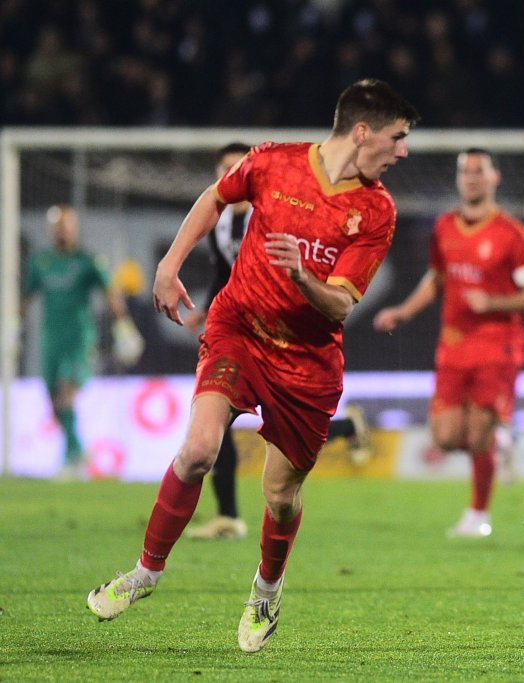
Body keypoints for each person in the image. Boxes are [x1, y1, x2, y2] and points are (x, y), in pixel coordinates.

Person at [86, 78, 419, 653]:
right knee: (198, 451)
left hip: (307, 363)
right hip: (238, 330)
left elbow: (341, 304)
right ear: (363, 132)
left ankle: (266, 589)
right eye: (398, 137)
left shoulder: (376, 210)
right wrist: (169, 265)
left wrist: (301, 275)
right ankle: (145, 572)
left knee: (280, 496)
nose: (404, 151)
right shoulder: (272, 161)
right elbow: (215, 196)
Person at [182, 143, 373, 541]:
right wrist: (207, 309)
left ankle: (342, 428)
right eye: (225, 169)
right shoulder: (219, 221)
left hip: (288, 338)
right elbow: (224, 271)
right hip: (240, 330)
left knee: (287, 430)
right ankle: (228, 514)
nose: (233, 176)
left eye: (238, 167)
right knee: (215, 422)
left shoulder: (272, 209)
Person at [373, 148, 524, 537]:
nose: (471, 178)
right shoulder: (445, 227)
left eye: (478, 171)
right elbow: (437, 278)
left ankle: (477, 515)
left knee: (477, 436)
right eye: (465, 172)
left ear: (494, 177)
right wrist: (404, 311)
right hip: (453, 345)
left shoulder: (512, 234)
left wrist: (493, 302)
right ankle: (502, 436)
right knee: (445, 437)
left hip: (496, 345)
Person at [22, 205, 136, 481]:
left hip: (80, 340)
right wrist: (14, 326)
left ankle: (71, 457)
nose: (63, 231)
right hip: (51, 341)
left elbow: (111, 293)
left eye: (67, 226)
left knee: (66, 393)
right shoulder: (40, 262)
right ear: (51, 230)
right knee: (54, 403)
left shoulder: (88, 261)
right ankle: (78, 452)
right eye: (58, 226)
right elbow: (26, 297)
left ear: (75, 229)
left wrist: (124, 328)